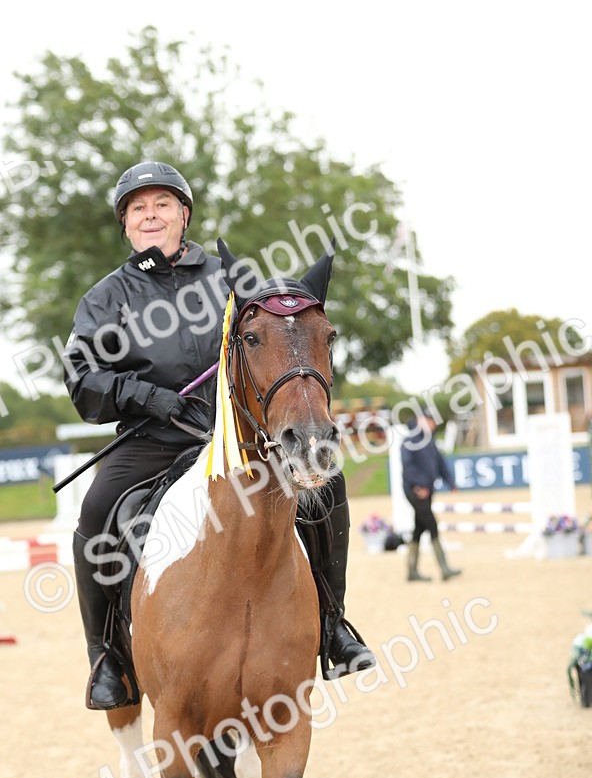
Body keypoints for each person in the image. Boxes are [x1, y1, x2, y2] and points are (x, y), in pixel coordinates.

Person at [64, 159, 374, 709]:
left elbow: (279, 337)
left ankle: (333, 626)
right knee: (95, 513)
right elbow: (83, 374)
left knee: (330, 488)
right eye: (139, 208)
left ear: (184, 214)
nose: (151, 215)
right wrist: (143, 396)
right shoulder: (106, 297)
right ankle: (108, 657)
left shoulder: (228, 280)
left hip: (229, 436)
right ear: (125, 223)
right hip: (151, 438)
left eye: (162, 204)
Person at [400, 414, 462, 581]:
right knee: (432, 526)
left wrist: (451, 483)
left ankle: (412, 571)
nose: (434, 424)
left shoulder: (430, 441)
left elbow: (440, 464)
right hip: (415, 492)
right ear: (422, 421)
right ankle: (444, 568)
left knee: (419, 529)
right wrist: (419, 486)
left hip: (428, 492)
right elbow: (408, 467)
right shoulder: (410, 441)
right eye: (431, 420)